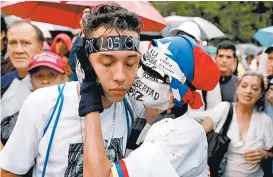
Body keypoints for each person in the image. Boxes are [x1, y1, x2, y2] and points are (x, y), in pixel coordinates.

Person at [0, 4, 144, 177]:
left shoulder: (132, 106)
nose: (120, 76)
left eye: (130, 63)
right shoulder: (43, 104)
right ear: (84, 61)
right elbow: (9, 171)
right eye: (107, 63)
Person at [82, 35, 221, 176]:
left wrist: (90, 104)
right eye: (142, 64)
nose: (138, 73)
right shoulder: (140, 109)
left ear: (175, 93)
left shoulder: (183, 135)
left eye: (152, 72)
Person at [201, 72, 273, 177]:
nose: (248, 91)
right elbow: (198, 134)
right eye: (244, 86)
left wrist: (266, 155)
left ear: (261, 93)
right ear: (237, 88)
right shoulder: (224, 109)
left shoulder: (265, 121)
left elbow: (271, 152)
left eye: (255, 88)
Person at [1, 51, 66, 151]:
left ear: (63, 79)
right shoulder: (17, 120)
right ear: (31, 81)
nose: (45, 81)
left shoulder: (75, 112)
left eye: (52, 75)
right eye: (39, 76)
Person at [1, 20, 44, 146]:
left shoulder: (55, 84)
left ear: (40, 48)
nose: (18, 50)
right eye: (13, 43)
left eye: (26, 43)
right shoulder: (4, 83)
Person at [169, 21, 221, 121]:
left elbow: (215, 113)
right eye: (179, 38)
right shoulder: (165, 67)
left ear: (197, 44)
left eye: (187, 39)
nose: (182, 43)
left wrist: (185, 117)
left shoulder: (208, 74)